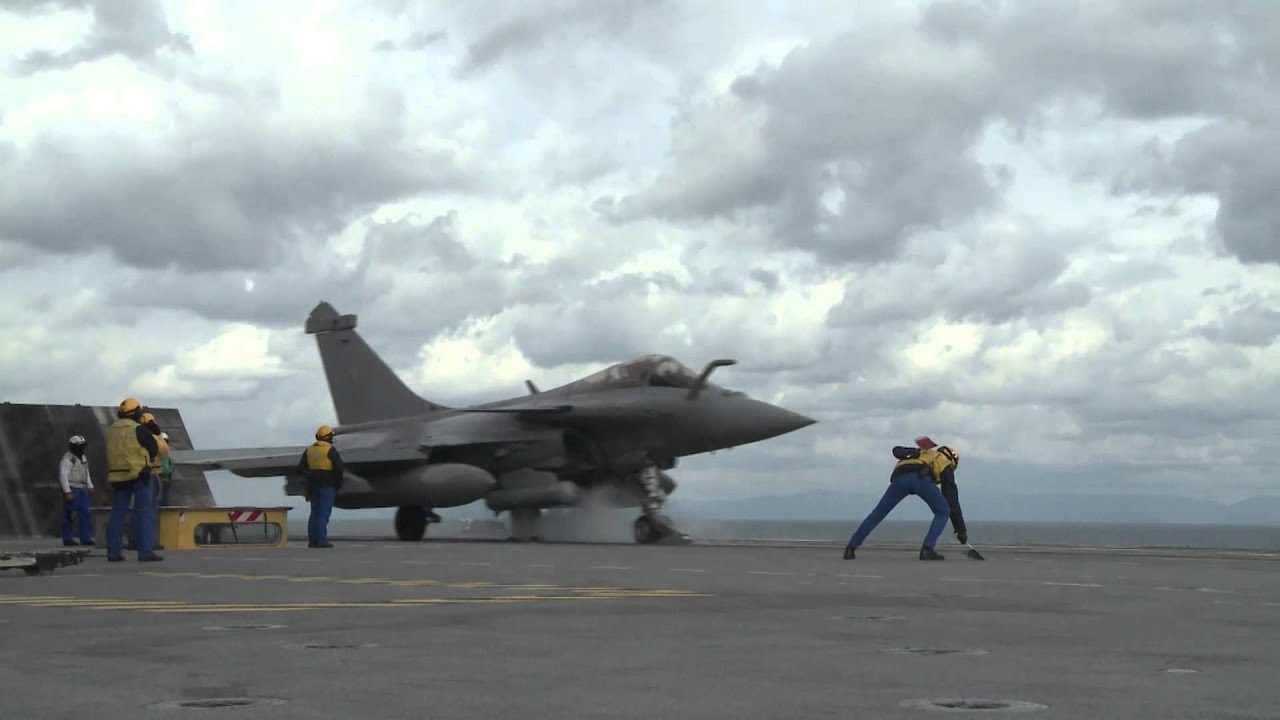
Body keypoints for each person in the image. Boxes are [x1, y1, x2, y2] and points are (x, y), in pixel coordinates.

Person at [842, 438, 963, 561]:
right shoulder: (945, 462)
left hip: (899, 478)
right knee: (943, 511)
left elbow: (895, 450)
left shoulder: (922, 452)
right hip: (921, 480)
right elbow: (952, 499)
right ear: (953, 459)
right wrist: (960, 530)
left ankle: (851, 548)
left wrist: (913, 451)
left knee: (878, 513)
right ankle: (927, 549)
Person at [105, 397, 162, 562]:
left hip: (117, 477)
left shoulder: (110, 430)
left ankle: (113, 552)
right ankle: (145, 552)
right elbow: (154, 448)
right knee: (144, 513)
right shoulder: (138, 429)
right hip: (139, 476)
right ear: (137, 412)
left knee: (117, 514)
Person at [297, 424, 343, 548]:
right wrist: (338, 485)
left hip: (313, 487)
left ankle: (313, 540)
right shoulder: (330, 450)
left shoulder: (310, 450)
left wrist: (310, 478)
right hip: (327, 486)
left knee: (314, 513)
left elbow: (301, 467)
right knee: (323, 514)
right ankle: (321, 540)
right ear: (329, 437)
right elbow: (339, 470)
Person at [58, 435, 95, 547]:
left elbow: (86, 472)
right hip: (72, 487)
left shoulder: (83, 457)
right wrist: (67, 491)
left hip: (82, 488)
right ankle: (67, 538)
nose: (82, 449)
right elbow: (63, 475)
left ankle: (86, 538)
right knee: (70, 514)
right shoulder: (68, 459)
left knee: (85, 513)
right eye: (79, 446)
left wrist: (90, 485)